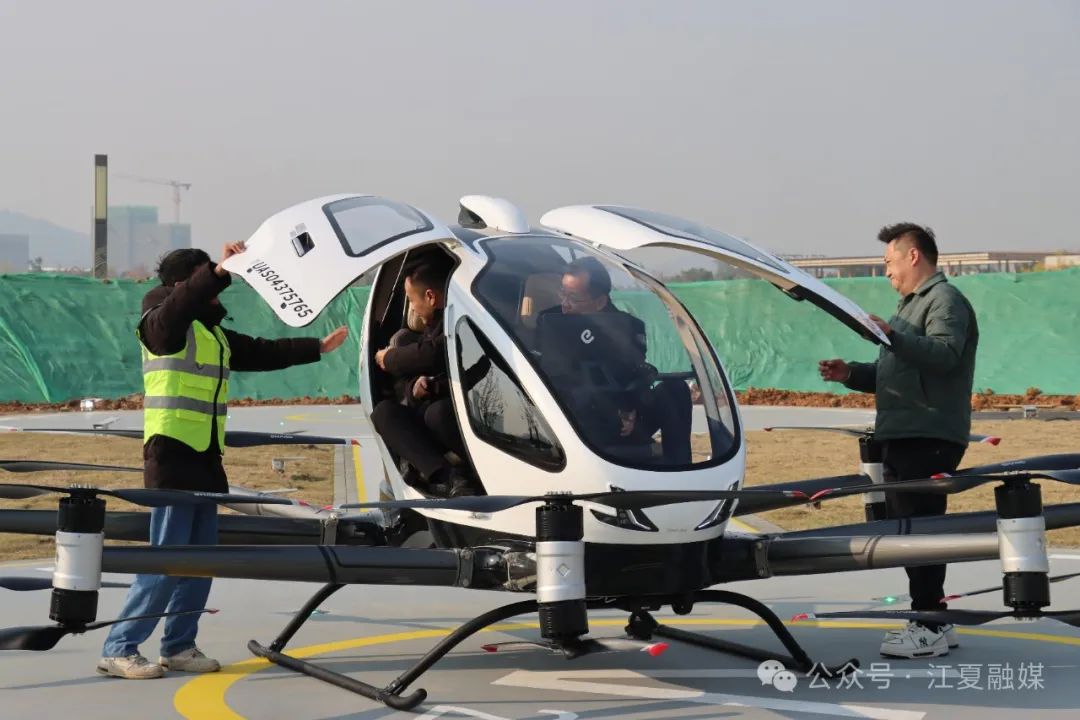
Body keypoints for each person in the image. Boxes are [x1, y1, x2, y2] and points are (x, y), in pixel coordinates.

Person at [97, 243, 348, 679]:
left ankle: (178, 646)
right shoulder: (159, 322)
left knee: (202, 562)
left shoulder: (211, 335)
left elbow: (263, 351)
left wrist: (317, 347)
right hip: (171, 454)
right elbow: (172, 316)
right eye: (209, 279)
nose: (218, 290)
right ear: (185, 284)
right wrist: (214, 272)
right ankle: (119, 647)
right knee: (165, 561)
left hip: (206, 457)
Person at [819, 222, 978, 659]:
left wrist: (891, 335)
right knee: (910, 529)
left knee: (920, 530)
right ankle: (933, 620)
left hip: (927, 433)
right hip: (905, 433)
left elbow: (944, 355)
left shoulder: (944, 300)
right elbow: (896, 372)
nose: (887, 271)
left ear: (913, 256)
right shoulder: (909, 307)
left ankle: (928, 624)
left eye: (889, 262)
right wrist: (850, 373)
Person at [541, 257, 692, 465]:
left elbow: (634, 371)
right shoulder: (551, 324)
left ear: (600, 302)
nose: (564, 304)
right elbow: (559, 376)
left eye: (573, 298)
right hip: (578, 417)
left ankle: (679, 470)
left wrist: (630, 407)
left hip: (627, 415)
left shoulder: (628, 327)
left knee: (675, 390)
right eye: (563, 294)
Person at [370, 262, 478, 497]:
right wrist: (415, 389)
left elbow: (435, 355)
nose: (411, 308)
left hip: (466, 418)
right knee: (384, 413)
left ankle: (471, 473)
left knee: (437, 414)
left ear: (430, 297)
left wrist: (389, 358)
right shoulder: (428, 329)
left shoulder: (460, 321)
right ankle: (448, 477)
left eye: (411, 299)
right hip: (434, 418)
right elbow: (414, 376)